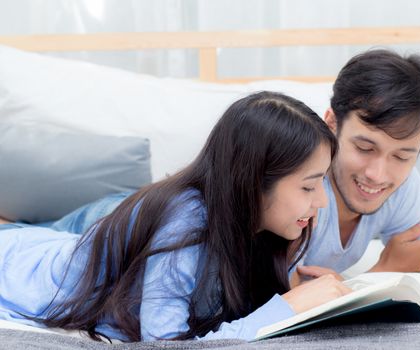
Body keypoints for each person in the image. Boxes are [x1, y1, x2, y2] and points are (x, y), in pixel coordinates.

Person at [0, 91, 352, 342]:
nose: (321, 201)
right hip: (15, 269)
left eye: (321, 182)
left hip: (63, 245)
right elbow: (163, 341)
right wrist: (285, 308)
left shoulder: (264, 228)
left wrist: (303, 297)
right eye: (308, 187)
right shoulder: (186, 221)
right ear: (253, 184)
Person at [295, 49, 420, 283]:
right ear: (331, 124)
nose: (377, 175)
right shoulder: (296, 180)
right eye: (365, 148)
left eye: (401, 157)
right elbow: (277, 298)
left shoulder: (404, 184)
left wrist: (354, 286)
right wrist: (385, 271)